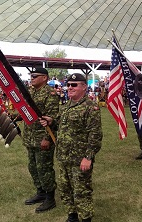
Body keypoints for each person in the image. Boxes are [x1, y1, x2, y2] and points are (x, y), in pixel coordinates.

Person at [41, 73, 103, 222]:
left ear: (84, 87)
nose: (69, 87)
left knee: (81, 191)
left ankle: (86, 218)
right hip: (63, 156)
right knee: (65, 189)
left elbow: (95, 135)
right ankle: (72, 216)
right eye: (68, 85)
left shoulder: (90, 107)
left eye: (74, 85)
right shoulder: (66, 106)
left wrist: (88, 157)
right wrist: (51, 121)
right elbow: (62, 125)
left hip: (79, 159)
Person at [22, 67, 60, 213]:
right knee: (33, 167)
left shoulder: (50, 94)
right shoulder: (30, 92)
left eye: (35, 76)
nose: (32, 78)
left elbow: (52, 118)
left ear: (44, 78)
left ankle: (50, 198)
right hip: (30, 137)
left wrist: (47, 139)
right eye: (31, 76)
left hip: (43, 138)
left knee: (44, 168)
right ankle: (40, 192)